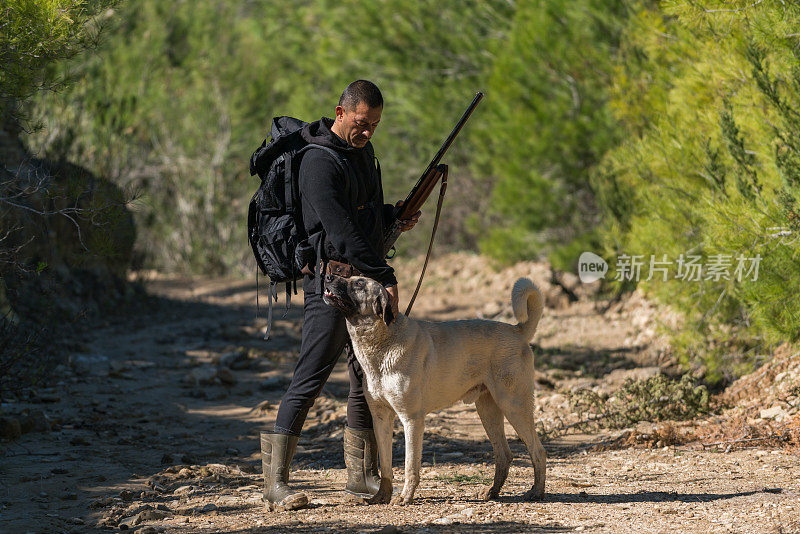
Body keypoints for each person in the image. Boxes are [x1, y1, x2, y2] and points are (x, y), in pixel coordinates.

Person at [261, 80, 420, 511]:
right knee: (309, 377)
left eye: (375, 126)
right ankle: (275, 486)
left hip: (361, 287)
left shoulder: (363, 153)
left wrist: (394, 217)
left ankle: (361, 479)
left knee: (361, 381)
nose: (368, 132)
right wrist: (384, 273)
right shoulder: (317, 161)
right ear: (341, 111)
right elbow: (340, 230)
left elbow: (363, 219)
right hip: (329, 288)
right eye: (362, 123)